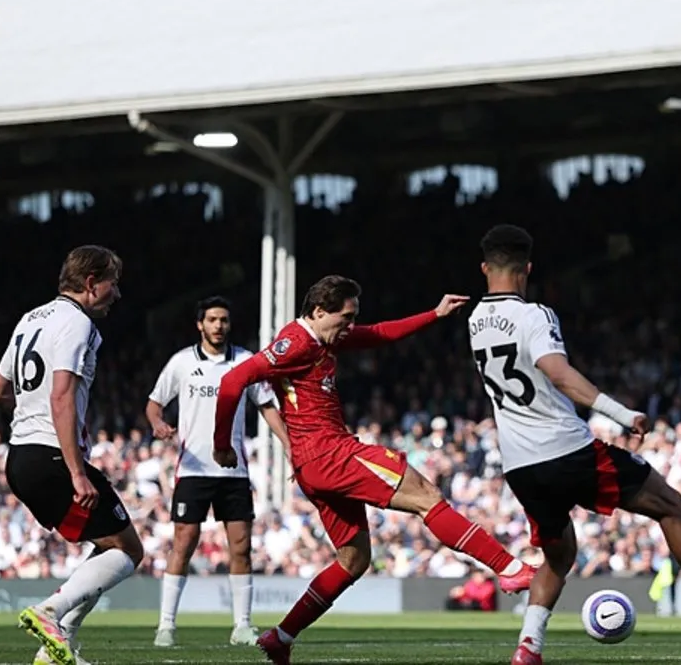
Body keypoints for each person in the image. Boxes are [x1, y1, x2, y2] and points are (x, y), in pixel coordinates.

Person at [465, 224, 681, 665]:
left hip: (519, 466)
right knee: (671, 506)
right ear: (528, 268)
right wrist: (621, 414)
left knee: (558, 556)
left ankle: (528, 647)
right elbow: (556, 371)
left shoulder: (476, 321)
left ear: (485, 268)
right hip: (564, 449)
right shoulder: (534, 315)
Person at [213, 275, 535, 665]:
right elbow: (233, 380)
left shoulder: (322, 337)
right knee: (426, 496)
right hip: (330, 453)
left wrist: (434, 313)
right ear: (318, 311)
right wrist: (222, 444)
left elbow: (380, 333)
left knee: (354, 559)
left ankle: (281, 637)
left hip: (313, 463)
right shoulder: (296, 342)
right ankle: (509, 567)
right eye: (346, 318)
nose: (350, 326)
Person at [0, 246, 142, 665]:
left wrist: (27, 418)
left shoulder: (29, 319)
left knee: (108, 545)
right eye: (113, 283)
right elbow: (61, 395)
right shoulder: (78, 323)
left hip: (20, 460)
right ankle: (51, 613)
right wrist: (77, 472)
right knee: (129, 551)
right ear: (91, 283)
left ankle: (56, 649)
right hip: (54, 459)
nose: (117, 294)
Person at [147, 296, 290, 647]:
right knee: (183, 543)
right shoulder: (181, 363)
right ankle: (166, 625)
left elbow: (267, 404)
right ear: (200, 324)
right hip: (193, 469)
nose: (218, 326)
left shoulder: (245, 362)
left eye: (223, 320)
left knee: (241, 547)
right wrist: (157, 423)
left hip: (234, 471)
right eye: (212, 319)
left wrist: (287, 443)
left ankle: (242, 625)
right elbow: (154, 403)